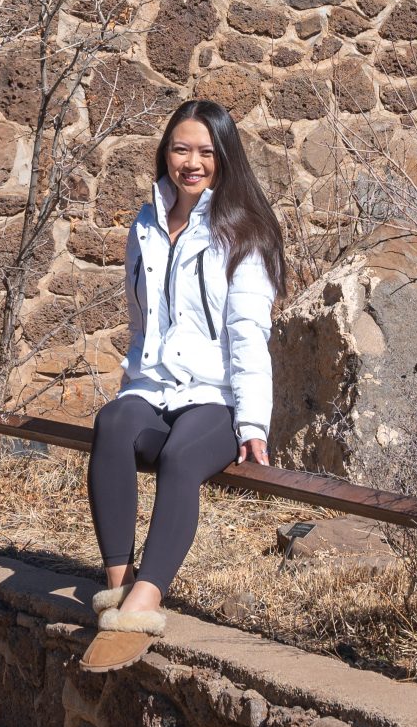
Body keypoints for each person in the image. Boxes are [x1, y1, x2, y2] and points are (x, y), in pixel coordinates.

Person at [86, 98, 283, 638]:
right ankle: (119, 586)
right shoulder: (145, 224)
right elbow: (142, 319)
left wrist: (254, 425)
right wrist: (133, 386)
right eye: (180, 149)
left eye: (204, 151)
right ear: (165, 155)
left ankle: (142, 606)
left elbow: (248, 336)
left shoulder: (245, 233)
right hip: (153, 389)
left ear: (224, 156)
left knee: (177, 458)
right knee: (112, 424)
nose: (191, 162)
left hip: (213, 398)